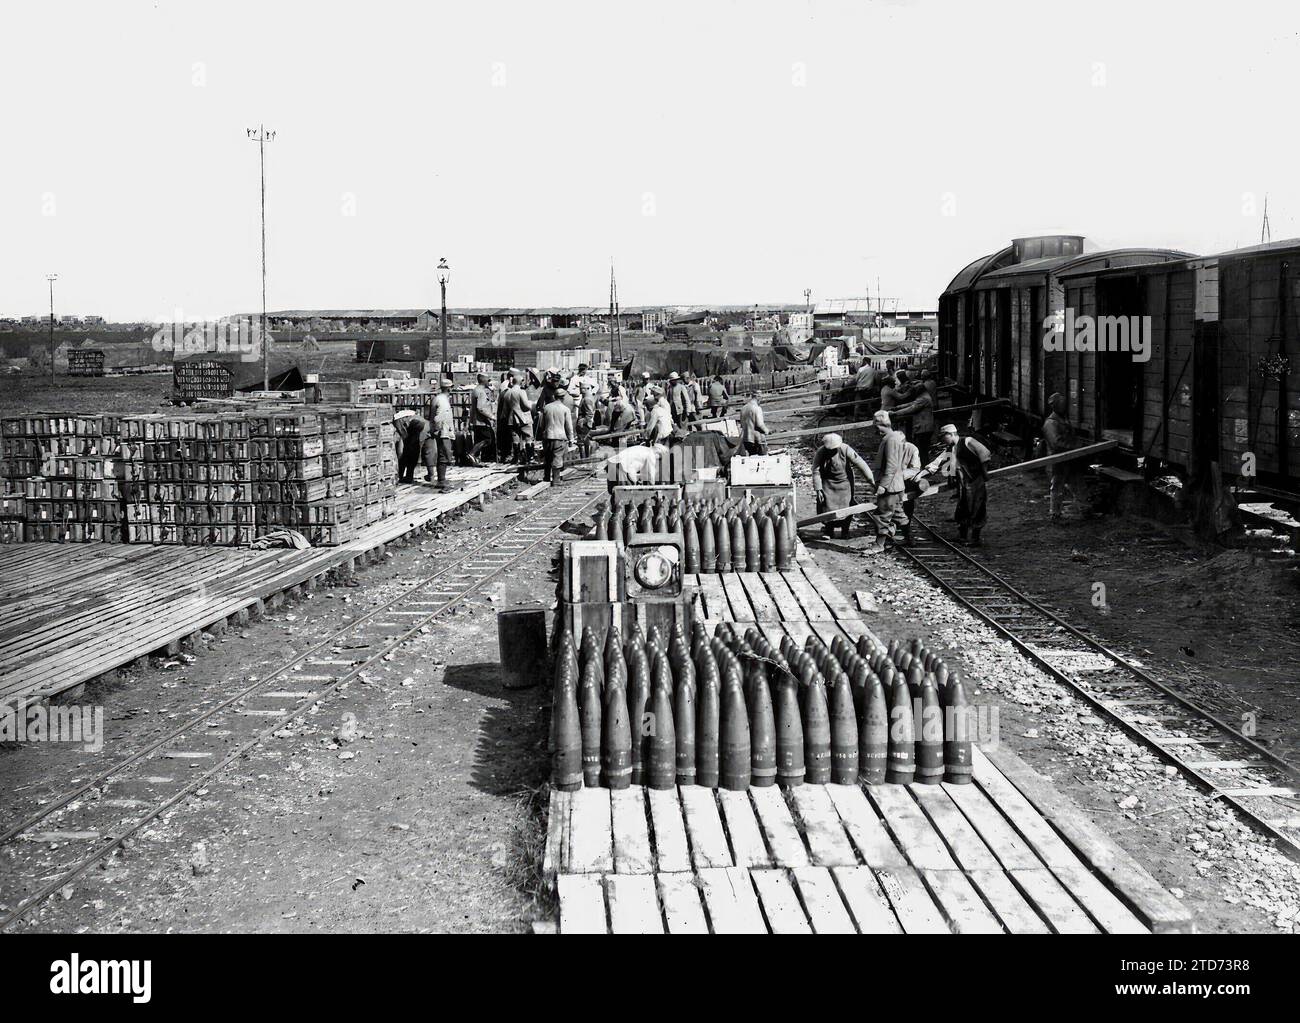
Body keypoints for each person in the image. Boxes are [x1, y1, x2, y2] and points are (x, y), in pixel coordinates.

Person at [917, 423, 991, 546]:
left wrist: (984, 471)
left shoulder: (967, 441)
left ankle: (975, 539)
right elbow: (937, 463)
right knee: (963, 508)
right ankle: (962, 536)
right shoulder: (950, 449)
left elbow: (985, 453)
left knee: (977, 508)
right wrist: (920, 475)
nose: (942, 440)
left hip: (975, 480)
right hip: (963, 483)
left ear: (951, 434)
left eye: (943, 437)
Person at [811, 432, 875, 539]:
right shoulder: (821, 452)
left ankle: (845, 530)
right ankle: (828, 530)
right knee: (826, 506)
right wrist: (818, 489)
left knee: (847, 506)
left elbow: (861, 464)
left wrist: (871, 481)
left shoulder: (846, 449)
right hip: (827, 484)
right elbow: (816, 471)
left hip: (844, 483)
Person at [868, 410, 909, 550]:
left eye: (876, 426)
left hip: (890, 486)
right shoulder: (893, 437)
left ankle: (879, 545)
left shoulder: (891, 439)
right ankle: (910, 539)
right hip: (896, 484)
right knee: (898, 513)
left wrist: (883, 486)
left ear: (880, 425)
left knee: (882, 515)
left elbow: (891, 465)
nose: (875, 429)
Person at [1042, 391, 1076, 523]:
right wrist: (1074, 447)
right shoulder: (1051, 423)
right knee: (1057, 487)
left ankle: (1085, 509)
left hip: (1068, 459)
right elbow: (1056, 443)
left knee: (1076, 484)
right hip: (1057, 461)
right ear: (1055, 406)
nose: (1064, 406)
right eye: (1061, 404)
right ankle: (1055, 513)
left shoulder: (1062, 420)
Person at [891, 378, 935, 456]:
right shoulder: (923, 396)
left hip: (923, 428)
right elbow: (912, 403)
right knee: (922, 451)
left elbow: (911, 408)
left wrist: (896, 413)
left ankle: (925, 466)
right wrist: (898, 407)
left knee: (922, 452)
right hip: (924, 427)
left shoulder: (923, 399)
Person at [499, 371, 534, 464]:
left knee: (515, 438)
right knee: (528, 437)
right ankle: (530, 457)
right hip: (523, 417)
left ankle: (517, 457)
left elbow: (505, 409)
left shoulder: (507, 393)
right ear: (521, 381)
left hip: (511, 418)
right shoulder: (521, 391)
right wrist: (531, 405)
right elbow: (526, 406)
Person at [539, 391, 575, 482]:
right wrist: (571, 439)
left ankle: (546, 477)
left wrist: (543, 433)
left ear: (554, 396)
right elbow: (569, 426)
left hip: (547, 436)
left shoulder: (546, 407)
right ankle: (556, 480)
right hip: (559, 437)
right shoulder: (565, 409)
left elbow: (541, 424)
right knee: (557, 457)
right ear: (563, 398)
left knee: (547, 457)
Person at [393, 409, 434, 484]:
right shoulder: (416, 418)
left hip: (420, 428)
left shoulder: (403, 420)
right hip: (428, 428)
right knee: (428, 453)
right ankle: (431, 475)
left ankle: (406, 476)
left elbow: (403, 434)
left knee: (411, 453)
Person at [431, 378, 457, 490]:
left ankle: (442, 479)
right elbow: (438, 418)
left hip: (441, 430)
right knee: (444, 455)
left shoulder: (437, 398)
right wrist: (440, 430)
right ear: (449, 388)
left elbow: (432, 416)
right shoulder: (443, 401)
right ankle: (441, 480)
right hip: (444, 431)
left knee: (443, 454)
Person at [470, 373, 497, 464]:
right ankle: (472, 453)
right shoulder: (481, 392)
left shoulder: (475, 390)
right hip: (481, 421)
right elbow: (481, 408)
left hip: (476, 420)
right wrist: (492, 417)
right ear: (483, 380)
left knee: (478, 439)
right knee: (487, 439)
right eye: (488, 380)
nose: (489, 382)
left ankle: (475, 459)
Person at [576, 381, 597, 458]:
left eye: (581, 388)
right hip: (585, 424)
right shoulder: (587, 397)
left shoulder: (587, 399)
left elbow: (590, 413)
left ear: (586, 389)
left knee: (583, 443)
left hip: (584, 425)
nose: (580, 390)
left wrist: (582, 421)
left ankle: (585, 460)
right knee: (585, 443)